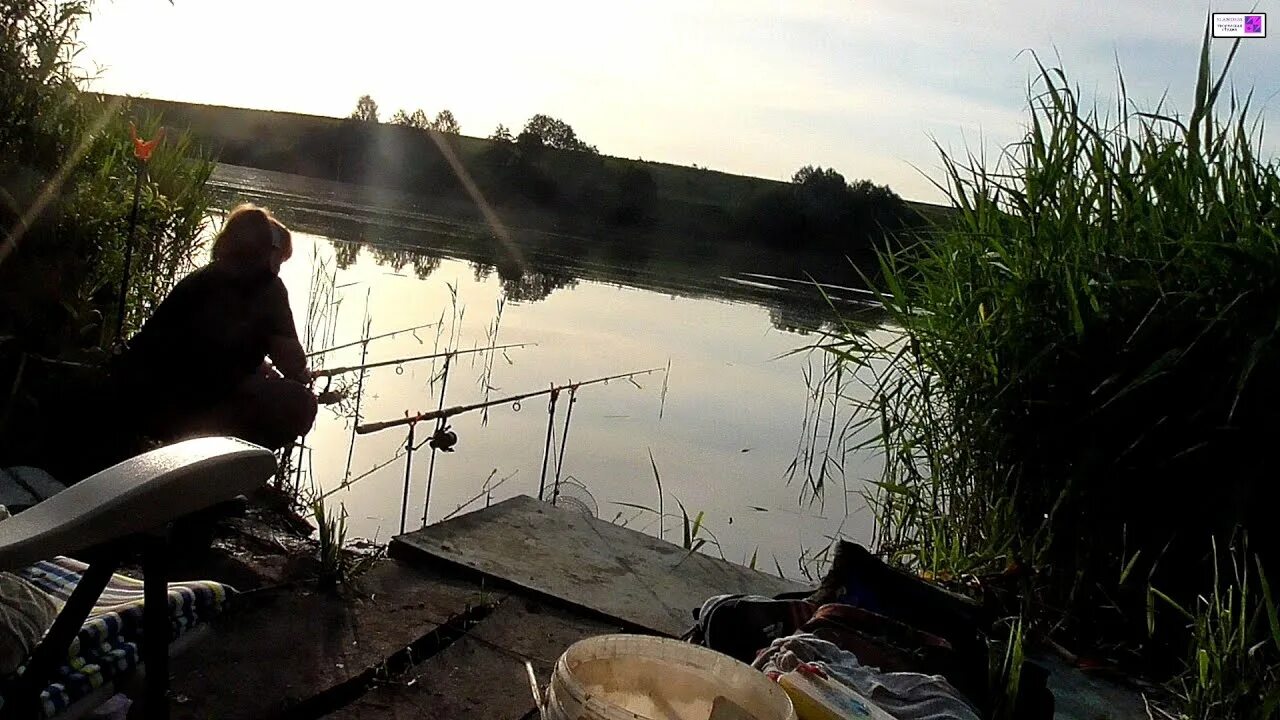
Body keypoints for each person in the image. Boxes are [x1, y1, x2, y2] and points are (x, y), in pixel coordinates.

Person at [110, 204, 317, 451]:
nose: (279, 267)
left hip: (148, 400)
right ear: (266, 250)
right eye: (279, 258)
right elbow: (292, 362)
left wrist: (257, 367)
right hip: (195, 409)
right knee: (300, 403)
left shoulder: (199, 279)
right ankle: (235, 460)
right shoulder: (269, 288)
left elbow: (207, 346)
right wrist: (302, 375)